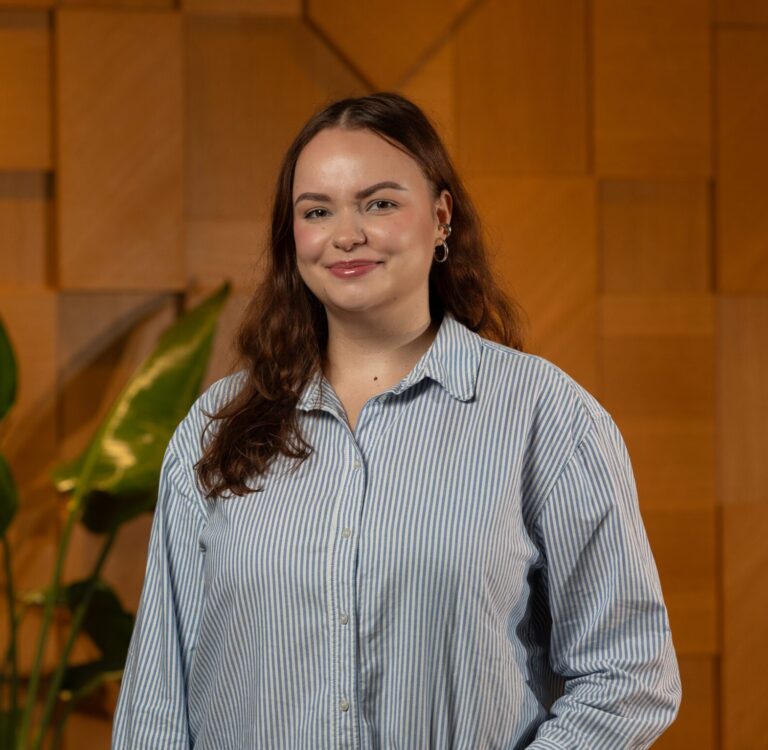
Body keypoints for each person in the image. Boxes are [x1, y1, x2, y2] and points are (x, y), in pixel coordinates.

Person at [112, 92, 682, 749]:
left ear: (441, 218)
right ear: (292, 237)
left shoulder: (544, 417)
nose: (346, 234)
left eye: (379, 203)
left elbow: (628, 674)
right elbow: (157, 700)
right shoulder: (216, 426)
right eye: (316, 211)